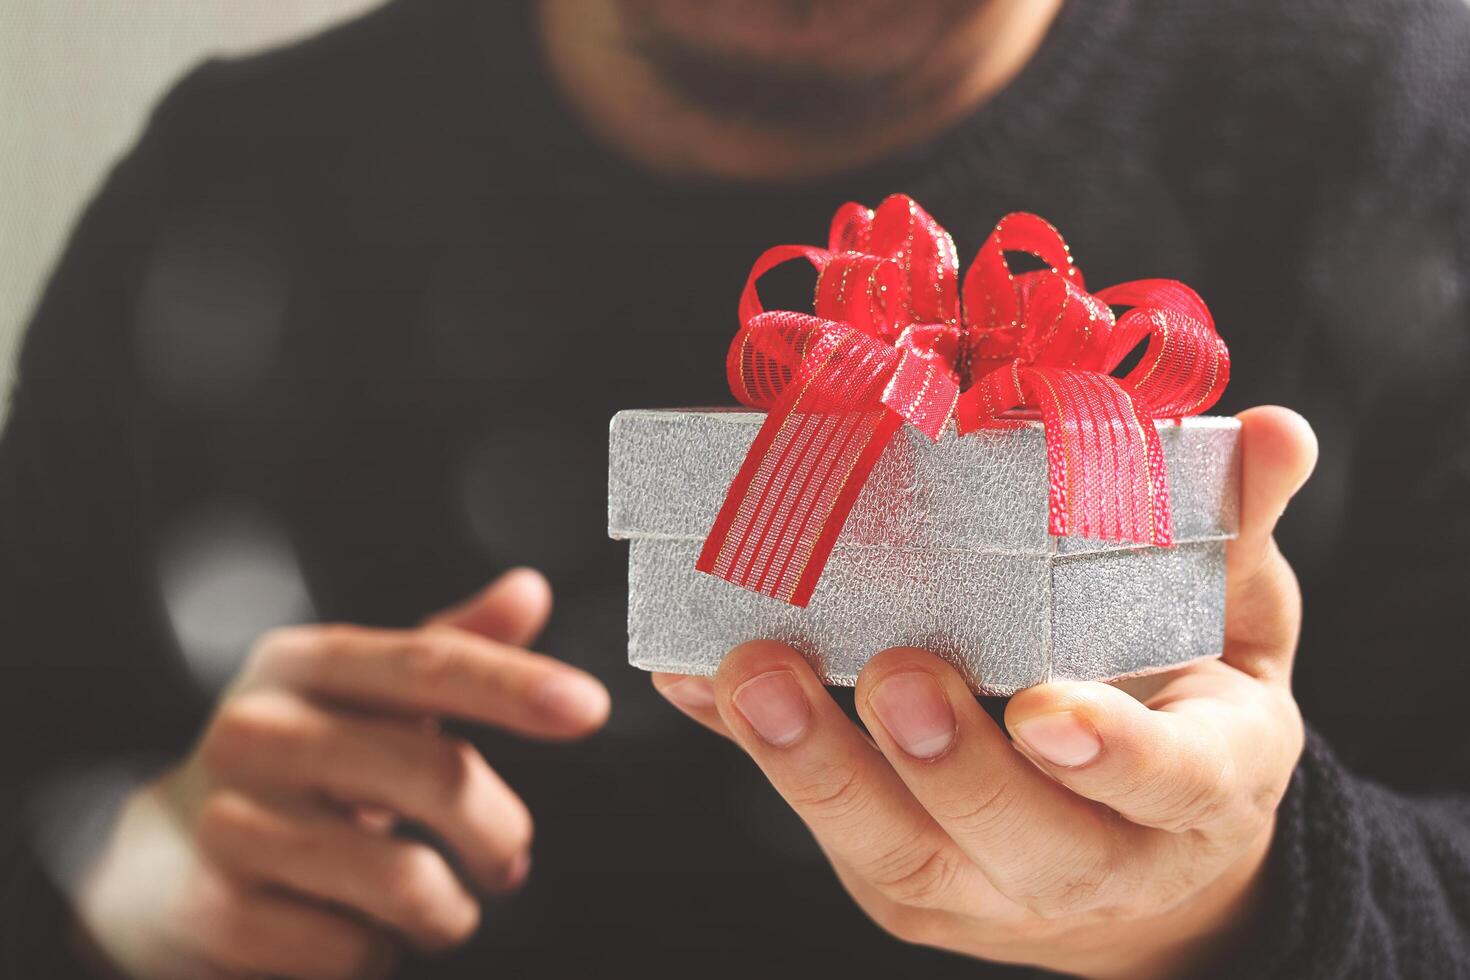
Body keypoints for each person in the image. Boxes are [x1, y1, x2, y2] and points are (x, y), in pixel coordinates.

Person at [2, 0, 1468, 975]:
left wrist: (1241, 910)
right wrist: (106, 879)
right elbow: (44, 766)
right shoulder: (235, 169)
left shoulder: (1417, 137)